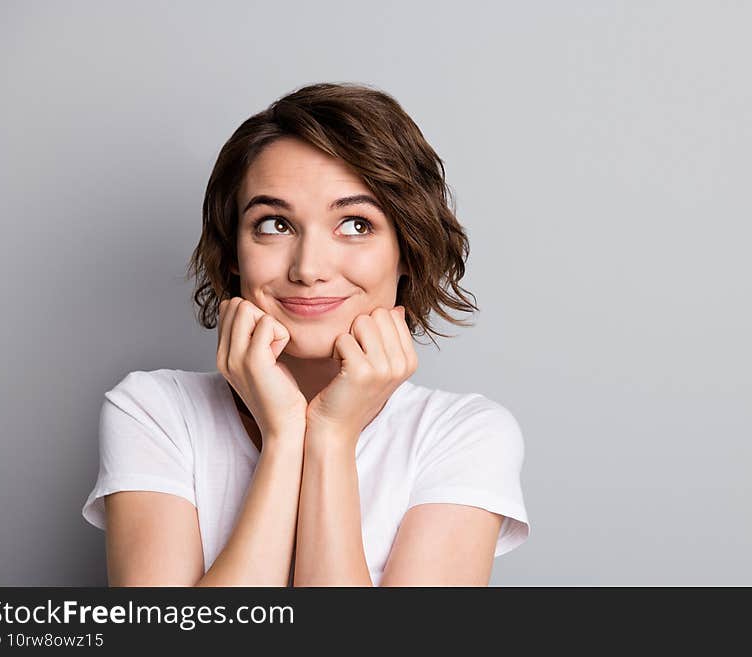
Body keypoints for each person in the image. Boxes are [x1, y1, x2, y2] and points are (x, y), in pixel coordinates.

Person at [81, 82, 530, 586]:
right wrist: (284, 436)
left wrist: (331, 439)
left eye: (356, 225)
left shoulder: (462, 436)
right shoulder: (154, 411)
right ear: (233, 253)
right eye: (274, 225)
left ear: (407, 250)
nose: (309, 268)